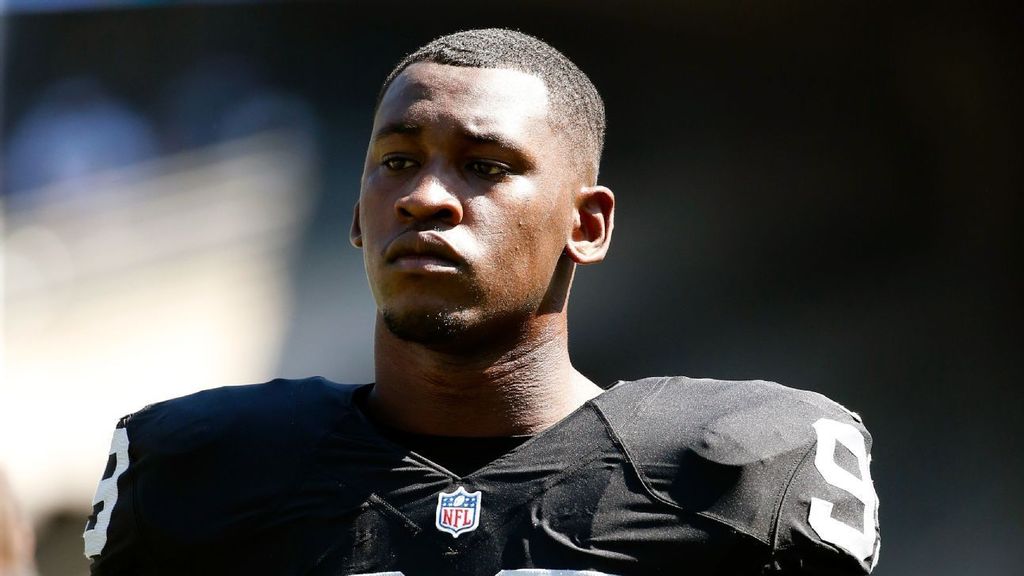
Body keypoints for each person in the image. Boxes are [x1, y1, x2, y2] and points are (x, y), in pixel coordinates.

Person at [83, 28, 880, 575]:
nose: (424, 197)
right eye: (397, 161)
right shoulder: (197, 473)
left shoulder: (741, 478)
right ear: (357, 217)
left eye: (486, 167)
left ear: (587, 225)